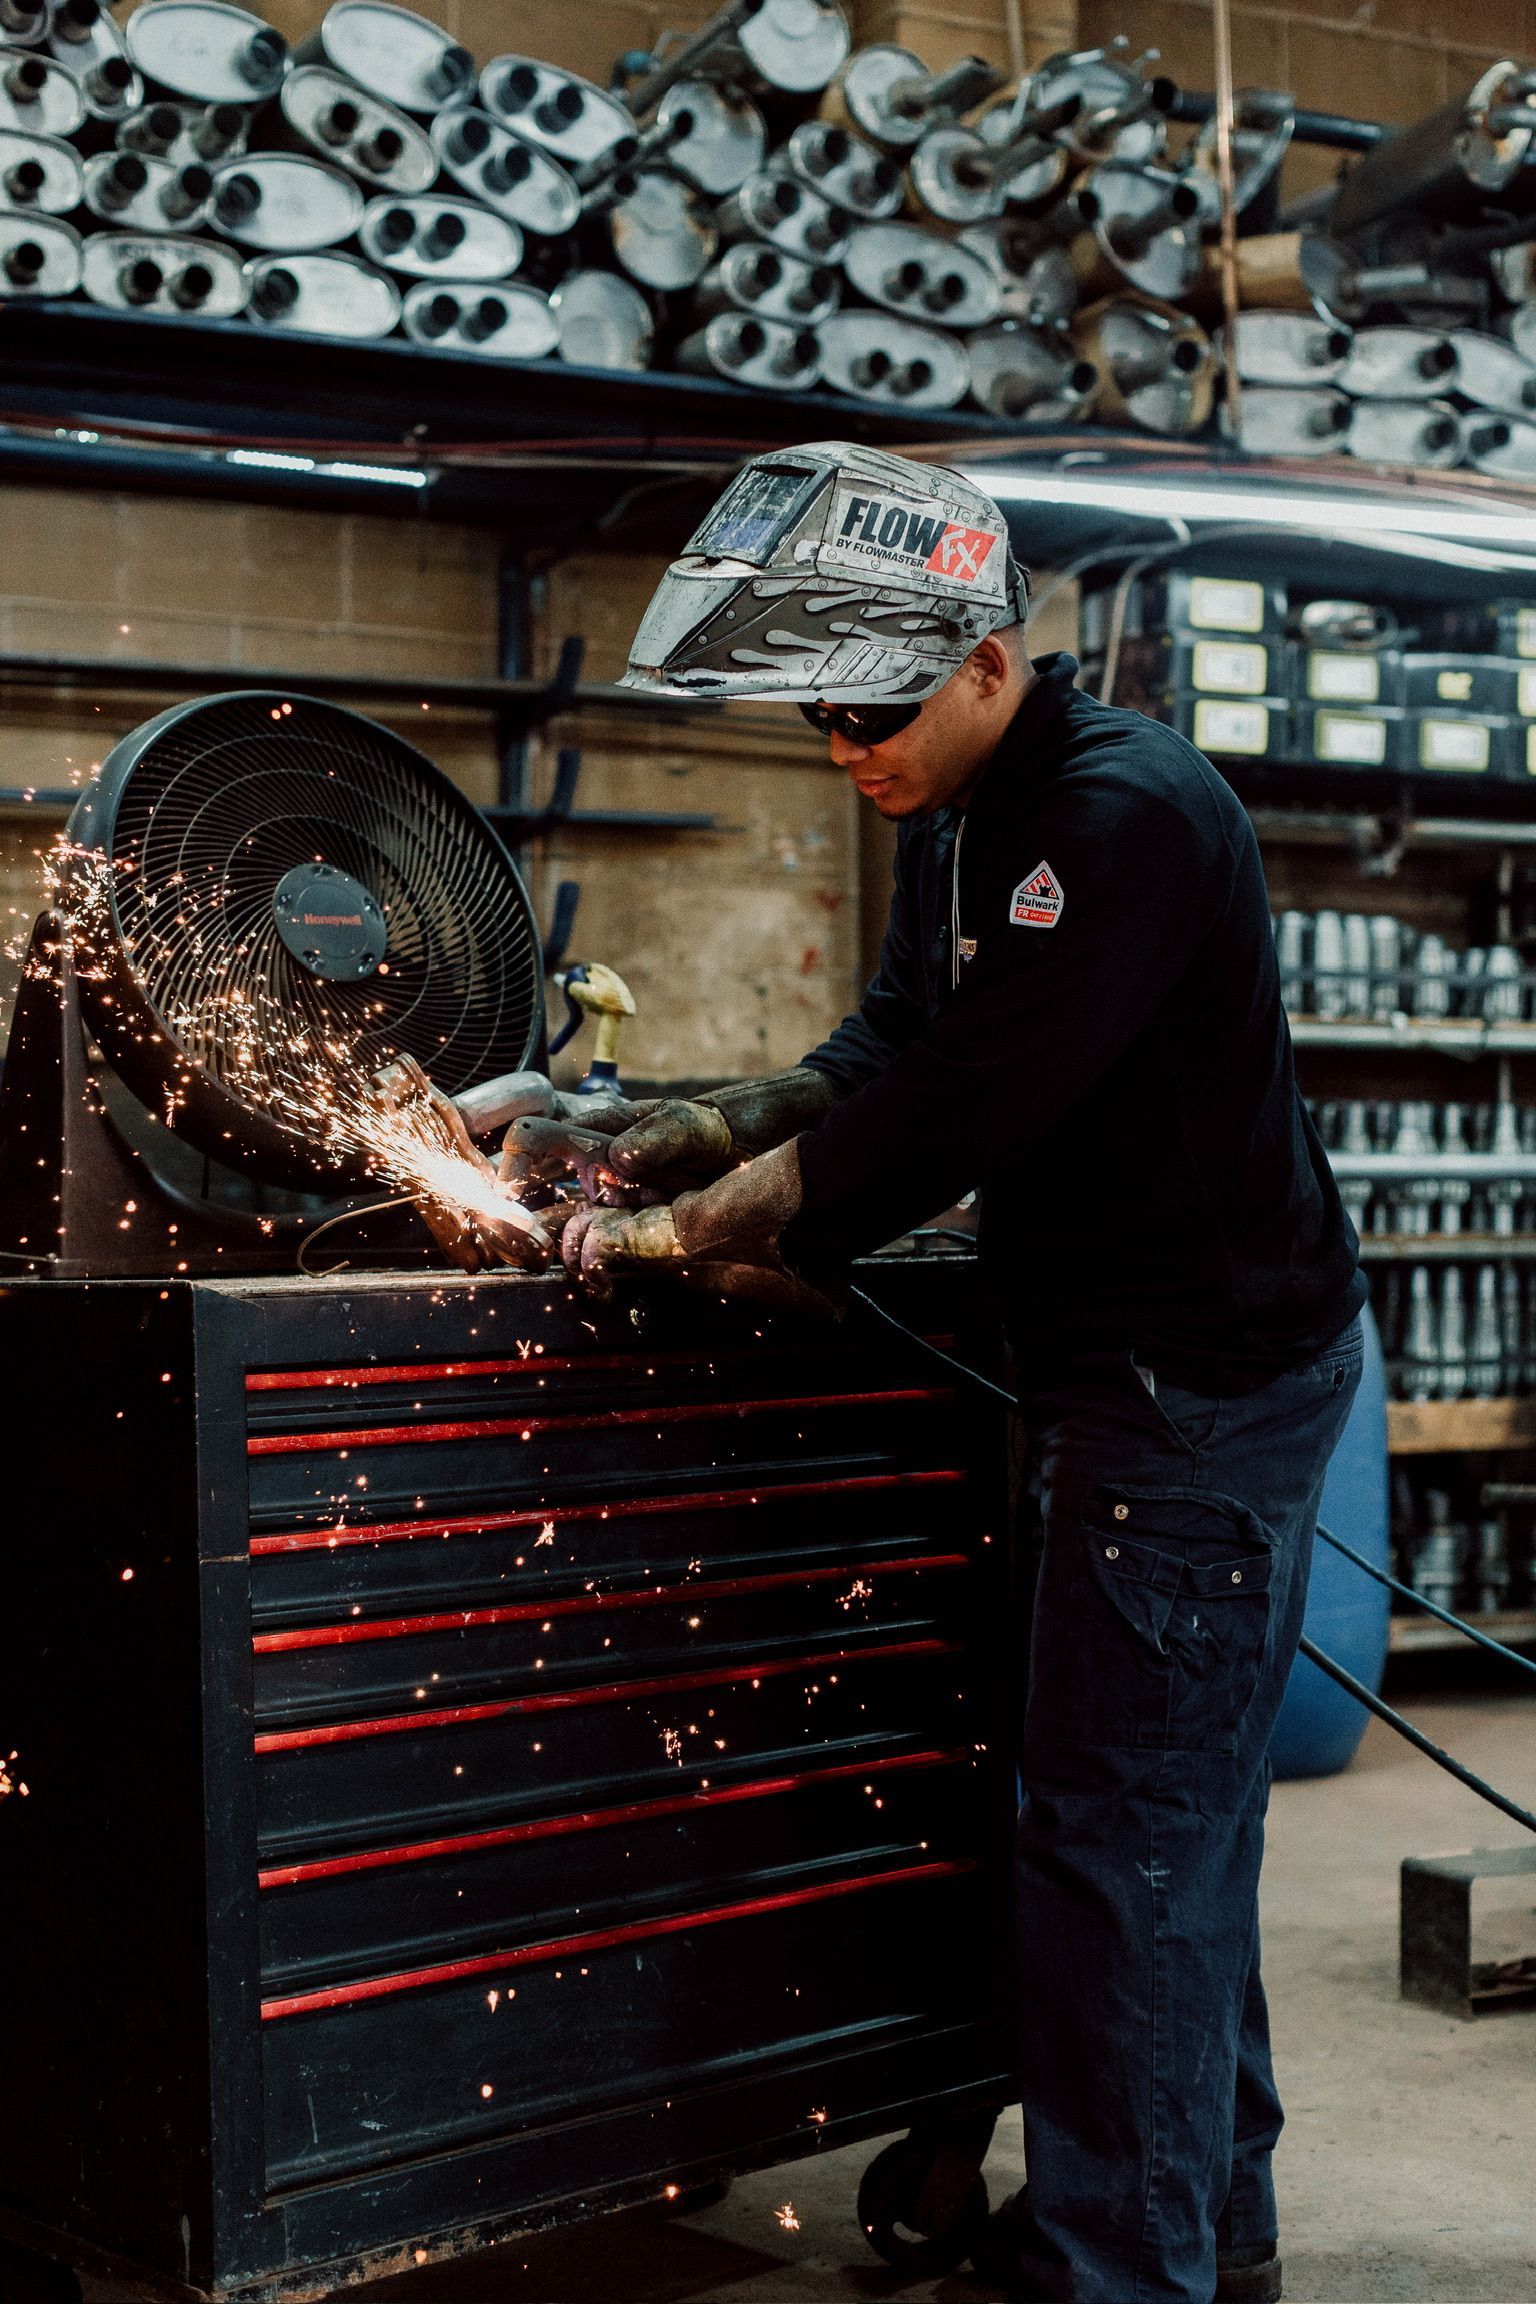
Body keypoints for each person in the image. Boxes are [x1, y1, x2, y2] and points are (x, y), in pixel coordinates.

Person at [544, 442, 1367, 2304]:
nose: (849, 744)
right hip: (1116, 1365)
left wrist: (709, 1226)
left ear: (991, 657)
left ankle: (1118, 2269)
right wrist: (705, 1126)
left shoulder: (1124, 816)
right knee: (1162, 1832)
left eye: (876, 707)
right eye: (821, 715)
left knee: (1117, 1841)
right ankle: (1194, 2230)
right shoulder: (970, 814)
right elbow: (904, 1033)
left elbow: (963, 1105)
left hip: (1197, 1381)